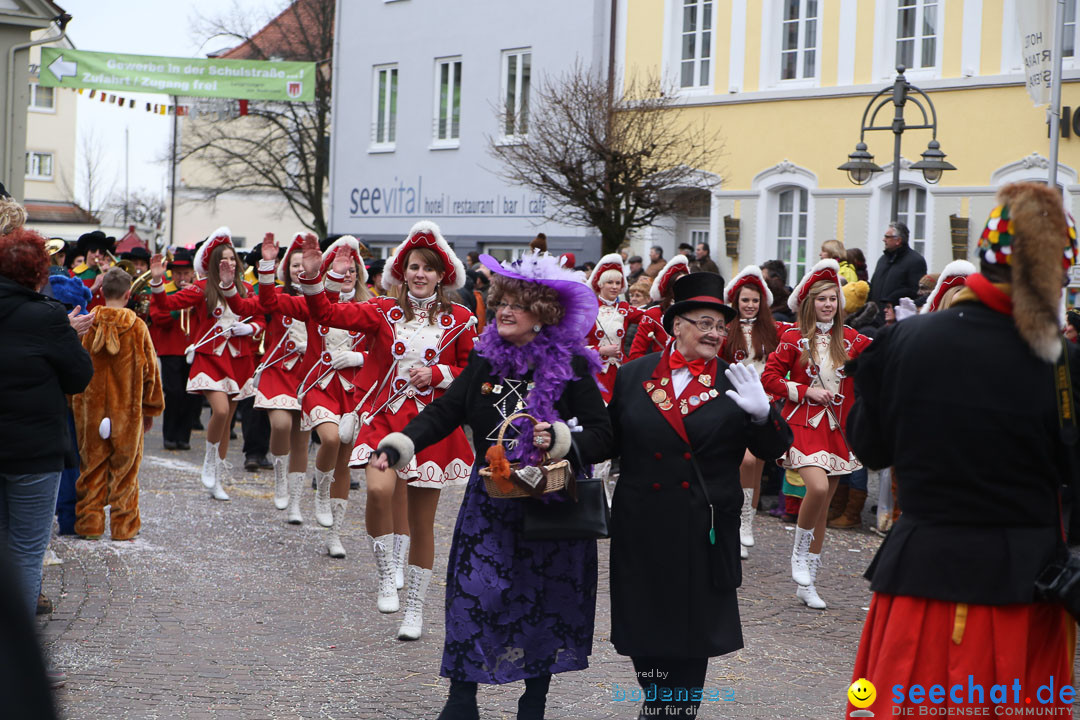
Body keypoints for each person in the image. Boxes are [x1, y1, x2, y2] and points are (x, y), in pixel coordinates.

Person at [846, 182, 1080, 716]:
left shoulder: (905, 341)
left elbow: (870, 448)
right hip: (1023, 587)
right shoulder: (1062, 361)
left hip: (917, 577)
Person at [367, 250, 611, 720]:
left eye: (517, 303)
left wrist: (561, 439)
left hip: (550, 503)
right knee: (473, 591)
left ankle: (533, 702)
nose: (503, 309)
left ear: (543, 314)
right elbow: (445, 411)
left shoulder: (572, 366)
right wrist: (401, 445)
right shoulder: (484, 358)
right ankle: (461, 702)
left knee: (546, 602)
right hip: (491, 502)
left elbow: (604, 435)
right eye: (500, 300)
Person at [607, 272, 792, 719]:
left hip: (702, 527)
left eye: (720, 326)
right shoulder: (634, 375)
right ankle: (656, 700)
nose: (715, 334)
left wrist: (764, 415)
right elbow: (607, 441)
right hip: (641, 524)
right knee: (643, 629)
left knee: (691, 636)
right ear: (677, 326)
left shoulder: (736, 380)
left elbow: (774, 448)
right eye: (706, 323)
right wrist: (562, 441)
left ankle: (675, 711)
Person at [301, 222, 475, 639]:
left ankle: (414, 609)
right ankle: (385, 573)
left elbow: (472, 372)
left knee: (422, 523)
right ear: (402, 270)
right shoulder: (382, 311)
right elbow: (326, 313)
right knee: (378, 492)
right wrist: (315, 277)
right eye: (413, 266)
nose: (420, 274)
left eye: (429, 269)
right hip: (383, 418)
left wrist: (437, 373)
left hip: (433, 428)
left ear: (442, 275)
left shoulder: (461, 318)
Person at [761, 258, 872, 610]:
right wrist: (804, 390)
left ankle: (809, 580)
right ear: (810, 303)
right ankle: (797, 553)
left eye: (833, 299)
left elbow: (886, 356)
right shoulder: (792, 337)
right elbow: (769, 378)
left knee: (823, 507)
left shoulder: (853, 339)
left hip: (836, 430)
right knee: (818, 487)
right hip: (800, 425)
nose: (828, 304)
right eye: (822, 298)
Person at [0, 227, 93, 644]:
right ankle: (17, 655)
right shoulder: (49, 316)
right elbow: (78, 377)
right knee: (26, 549)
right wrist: (70, 336)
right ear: (40, 274)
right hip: (35, 454)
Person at [253, 234, 373, 558]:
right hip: (319, 386)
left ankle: (335, 535)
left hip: (354, 391)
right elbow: (268, 303)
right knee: (329, 440)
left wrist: (360, 358)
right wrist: (267, 267)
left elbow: (390, 348)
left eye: (351, 270)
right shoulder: (312, 304)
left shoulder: (372, 306)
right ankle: (315, 492)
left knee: (344, 464)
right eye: (340, 269)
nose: (347, 274)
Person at [149, 228, 264, 501]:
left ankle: (217, 478)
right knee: (221, 412)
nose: (230, 264)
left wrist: (248, 330)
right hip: (210, 357)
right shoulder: (202, 288)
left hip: (239, 360)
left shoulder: (246, 289)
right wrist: (156, 281)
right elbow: (166, 303)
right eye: (224, 260)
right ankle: (210, 462)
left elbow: (260, 318)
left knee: (227, 422)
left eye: (233, 259)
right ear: (214, 264)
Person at [221, 232, 317, 522]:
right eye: (294, 265)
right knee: (280, 423)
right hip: (277, 370)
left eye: (305, 264)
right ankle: (279, 476)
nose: (300, 270)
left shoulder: (322, 300)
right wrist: (229, 286)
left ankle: (296, 503)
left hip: (309, 373)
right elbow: (243, 307)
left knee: (302, 438)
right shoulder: (277, 296)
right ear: (286, 270)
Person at [71, 268, 163, 540]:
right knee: (125, 470)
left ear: (101, 292)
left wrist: (72, 402)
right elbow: (151, 373)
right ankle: (123, 527)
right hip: (127, 410)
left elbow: (73, 363)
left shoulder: (88, 323)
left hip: (91, 408)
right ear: (128, 294)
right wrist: (151, 408)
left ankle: (90, 523)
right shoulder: (137, 326)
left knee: (91, 467)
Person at [721, 266, 782, 560]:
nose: (750, 305)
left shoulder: (772, 329)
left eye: (755, 301)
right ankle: (734, 521)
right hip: (732, 402)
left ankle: (746, 523)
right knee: (741, 462)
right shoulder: (726, 329)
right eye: (745, 300)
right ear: (736, 301)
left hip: (762, 402)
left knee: (755, 464)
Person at [150, 248, 202, 451]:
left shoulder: (197, 292)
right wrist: (178, 310)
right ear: (172, 274)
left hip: (192, 348)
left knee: (191, 394)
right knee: (173, 393)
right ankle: (170, 436)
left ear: (192, 273)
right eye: (179, 273)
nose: (182, 277)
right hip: (171, 348)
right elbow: (157, 317)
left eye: (186, 273)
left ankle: (184, 436)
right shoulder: (164, 290)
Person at [586, 253, 644, 403]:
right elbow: (574, 347)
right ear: (600, 284)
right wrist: (600, 351)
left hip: (619, 372)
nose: (614, 287)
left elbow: (650, 318)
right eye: (610, 282)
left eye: (618, 283)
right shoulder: (588, 309)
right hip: (594, 372)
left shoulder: (625, 308)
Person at [628, 254, 689, 361]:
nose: (684, 288)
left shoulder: (697, 313)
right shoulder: (653, 314)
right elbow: (636, 353)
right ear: (670, 288)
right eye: (678, 284)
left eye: (687, 284)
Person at [867, 222, 927, 318]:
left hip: (897, 318)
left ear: (898, 240)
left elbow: (916, 292)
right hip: (876, 317)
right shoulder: (883, 259)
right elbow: (874, 285)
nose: (884, 239)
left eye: (887, 237)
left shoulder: (915, 261)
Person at [70, 230, 116, 311]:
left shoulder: (108, 272)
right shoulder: (74, 274)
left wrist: (112, 277)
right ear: (86, 252)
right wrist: (94, 287)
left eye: (101, 252)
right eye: (93, 250)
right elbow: (73, 302)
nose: (97, 254)